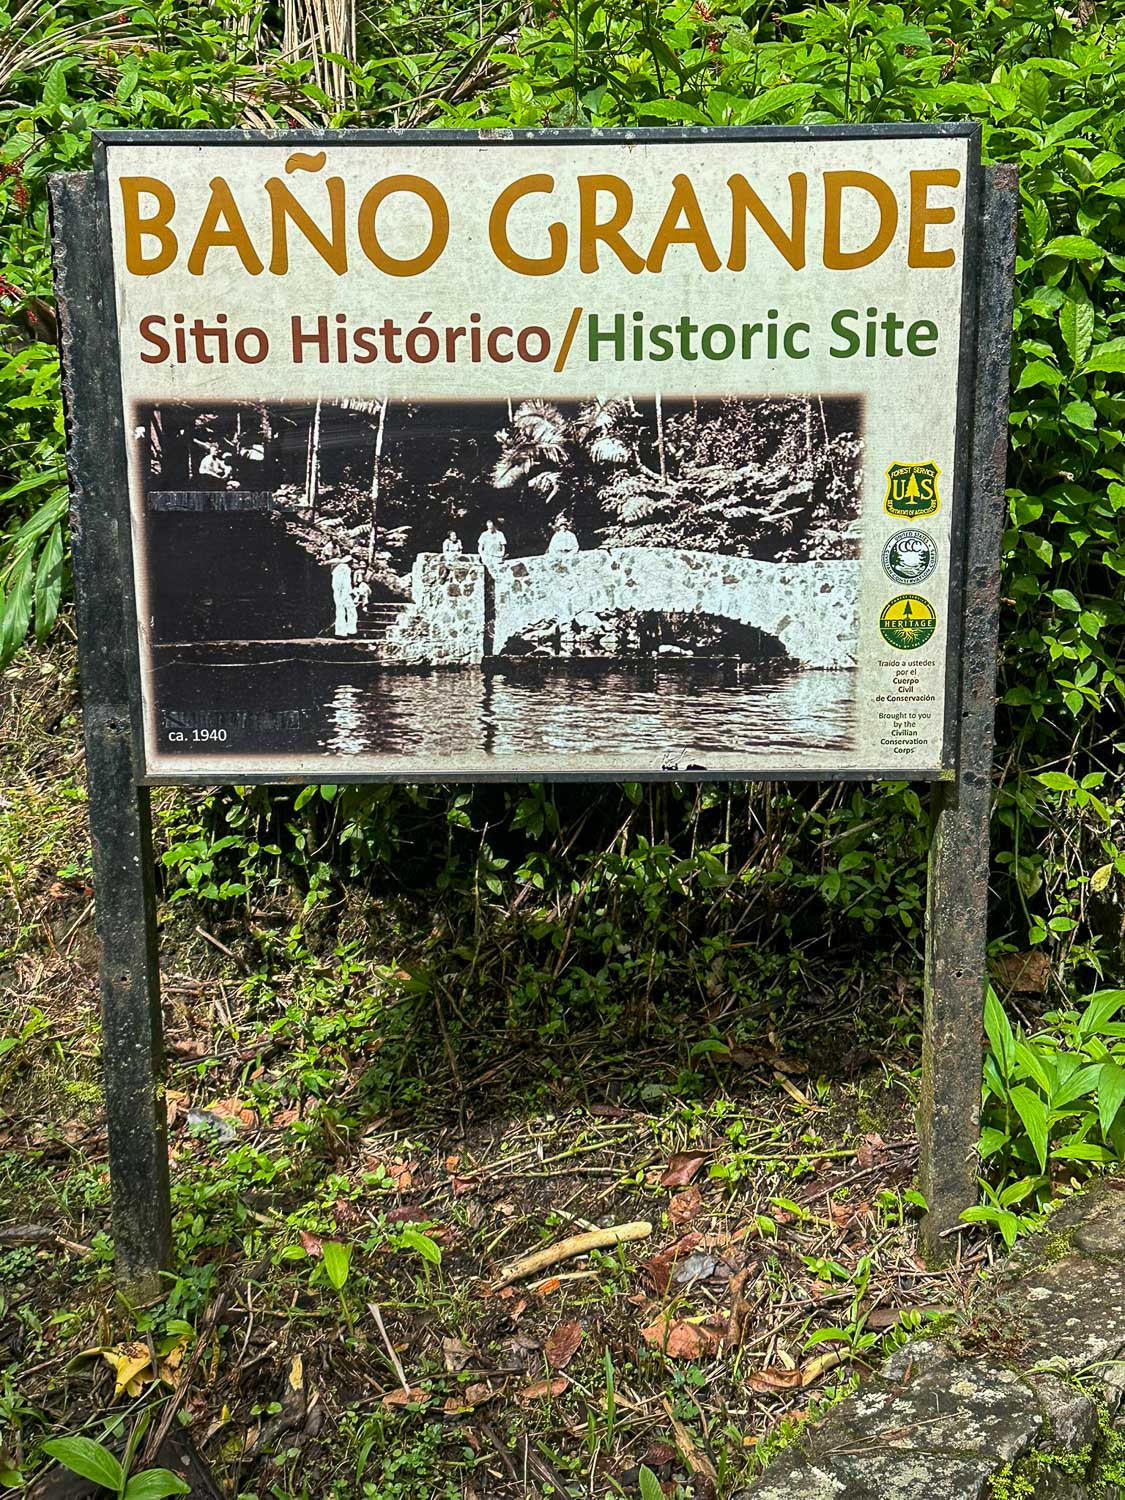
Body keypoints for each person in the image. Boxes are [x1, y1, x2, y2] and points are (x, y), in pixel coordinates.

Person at [331, 559, 357, 637]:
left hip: (342, 592)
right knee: (345, 610)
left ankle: (346, 630)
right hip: (343, 592)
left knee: (344, 610)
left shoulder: (340, 568)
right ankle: (344, 631)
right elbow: (344, 584)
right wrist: (348, 592)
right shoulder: (344, 568)